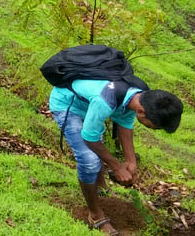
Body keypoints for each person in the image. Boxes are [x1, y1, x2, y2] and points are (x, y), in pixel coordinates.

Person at [49, 68, 182, 235]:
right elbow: (89, 138)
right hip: (67, 104)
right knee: (89, 159)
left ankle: (100, 186)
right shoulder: (105, 101)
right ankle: (95, 215)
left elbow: (124, 123)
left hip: (89, 103)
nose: (153, 129)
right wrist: (117, 167)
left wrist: (131, 161)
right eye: (153, 126)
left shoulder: (138, 95)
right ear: (142, 112)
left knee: (97, 144)